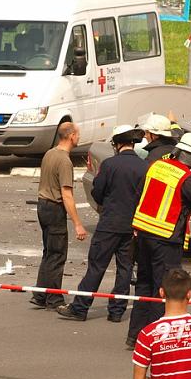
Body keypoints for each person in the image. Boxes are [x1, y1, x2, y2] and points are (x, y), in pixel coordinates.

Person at [126, 132, 191, 348]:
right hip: (166, 239)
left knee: (144, 285)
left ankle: (135, 336)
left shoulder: (157, 165)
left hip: (144, 235)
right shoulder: (187, 179)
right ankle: (156, 340)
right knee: (164, 289)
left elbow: (139, 194)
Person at [56, 125, 147, 322]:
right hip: (132, 225)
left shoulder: (109, 164)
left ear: (117, 144)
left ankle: (80, 307)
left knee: (97, 266)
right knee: (125, 268)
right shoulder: (144, 167)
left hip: (109, 223)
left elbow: (97, 192)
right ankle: (117, 311)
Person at [30, 122, 88, 310]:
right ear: (71, 136)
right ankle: (54, 298)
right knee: (57, 254)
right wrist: (78, 223)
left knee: (49, 252)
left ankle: (40, 294)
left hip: (43, 205)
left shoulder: (49, 153)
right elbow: (67, 194)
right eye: (78, 134)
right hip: (54, 208)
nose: (79, 137)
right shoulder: (64, 161)